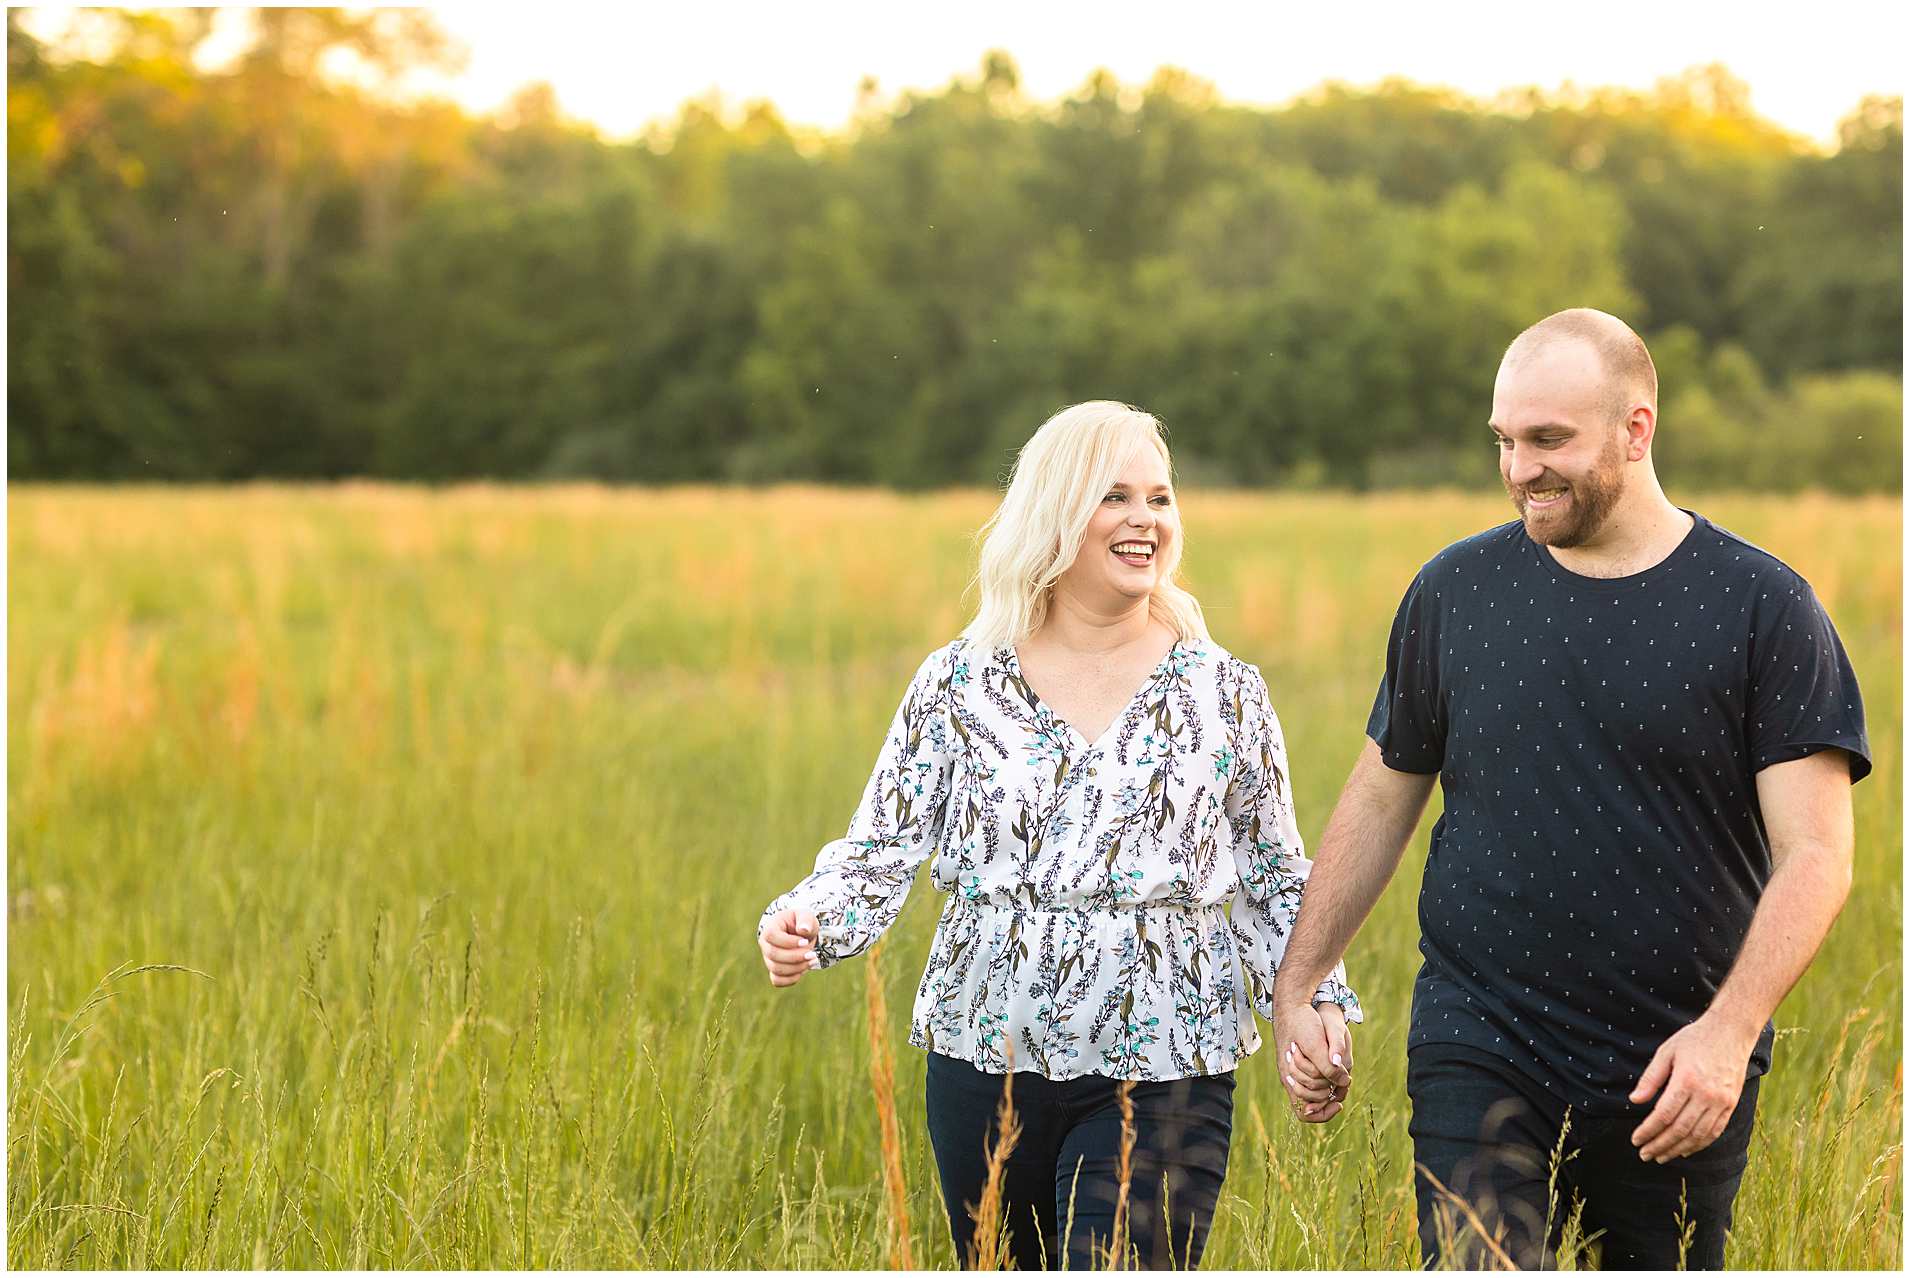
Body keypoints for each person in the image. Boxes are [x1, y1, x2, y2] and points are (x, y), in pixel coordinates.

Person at [1269, 309, 1869, 1269]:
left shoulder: (1764, 607)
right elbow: (1383, 793)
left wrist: (1728, 1032)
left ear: (1637, 429)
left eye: (1549, 439)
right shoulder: (1453, 590)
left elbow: (1818, 853)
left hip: (1675, 1066)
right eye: (1505, 440)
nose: (1519, 468)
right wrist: (1299, 981)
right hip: (1480, 1031)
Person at [757, 400, 1360, 1270]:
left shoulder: (1222, 692)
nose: (1144, 520)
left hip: (1166, 1055)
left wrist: (1316, 1000)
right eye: (1115, 497)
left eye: (1159, 498)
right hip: (983, 1053)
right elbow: (881, 845)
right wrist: (809, 920)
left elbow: (1272, 870)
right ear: (1056, 511)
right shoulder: (959, 684)